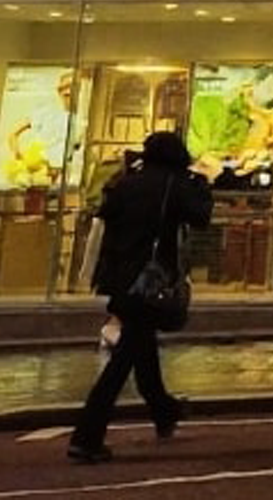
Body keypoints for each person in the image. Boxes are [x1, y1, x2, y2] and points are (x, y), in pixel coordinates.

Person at [68, 129, 212, 464]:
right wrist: (202, 181)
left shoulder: (126, 181)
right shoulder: (172, 185)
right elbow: (201, 215)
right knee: (123, 361)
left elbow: (108, 219)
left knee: (141, 347)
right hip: (149, 281)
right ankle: (87, 436)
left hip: (119, 277)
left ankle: (164, 410)